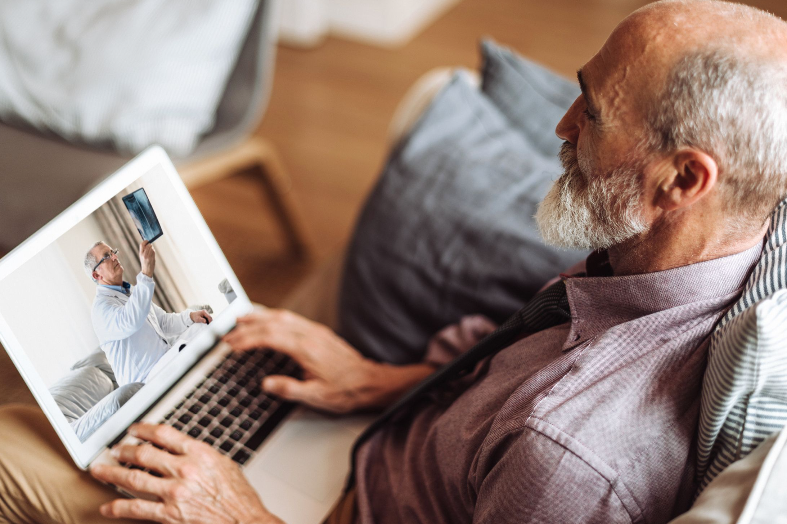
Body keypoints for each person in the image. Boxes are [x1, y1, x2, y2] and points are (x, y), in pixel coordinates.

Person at [1, 0, 787, 523]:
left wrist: (241, 514)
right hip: (381, 439)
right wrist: (379, 383)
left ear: (683, 179)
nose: (561, 123)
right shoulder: (679, 264)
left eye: (595, 112)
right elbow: (510, 390)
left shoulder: (573, 461)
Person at [86, 240, 213, 386]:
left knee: (203, 327)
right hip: (145, 378)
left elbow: (163, 322)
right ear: (96, 275)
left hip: (165, 360)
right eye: (107, 256)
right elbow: (130, 321)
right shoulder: (100, 309)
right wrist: (146, 274)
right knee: (190, 349)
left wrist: (190, 317)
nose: (115, 257)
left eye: (113, 252)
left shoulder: (131, 291)